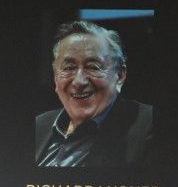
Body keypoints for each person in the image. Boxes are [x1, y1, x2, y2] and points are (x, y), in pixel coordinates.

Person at [35, 20, 153, 168]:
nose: (79, 82)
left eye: (93, 67)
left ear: (120, 75)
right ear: (55, 76)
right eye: (69, 68)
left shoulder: (149, 125)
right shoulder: (39, 124)